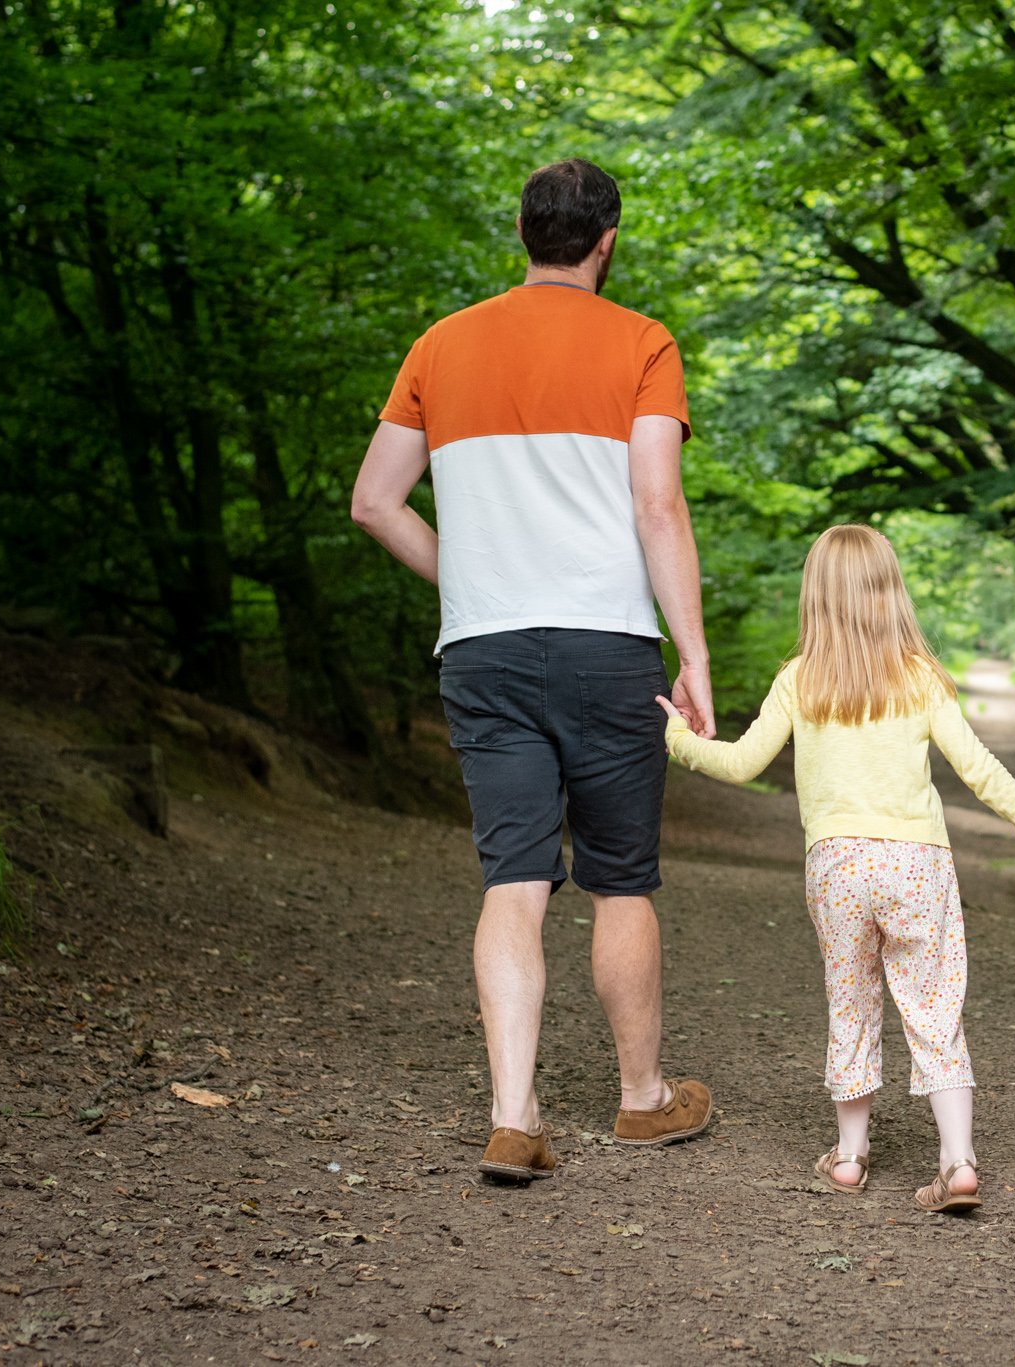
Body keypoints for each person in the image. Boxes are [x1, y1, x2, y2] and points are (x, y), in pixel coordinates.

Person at [350, 158, 717, 1183]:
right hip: (607, 645)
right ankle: (641, 1100)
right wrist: (691, 654)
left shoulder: (441, 343)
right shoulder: (642, 342)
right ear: (607, 240)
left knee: (512, 878)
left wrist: (466, 582)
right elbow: (656, 504)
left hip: (486, 646)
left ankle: (514, 1115)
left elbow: (375, 501)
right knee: (619, 881)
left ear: (522, 231)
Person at [656, 525, 1015, 1213]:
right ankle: (959, 1160)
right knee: (935, 1008)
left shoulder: (799, 680)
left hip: (837, 866)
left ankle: (849, 1157)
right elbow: (978, 768)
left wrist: (677, 736)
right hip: (917, 862)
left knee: (850, 1003)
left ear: (814, 595)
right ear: (891, 592)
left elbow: (740, 763)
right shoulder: (920, 676)